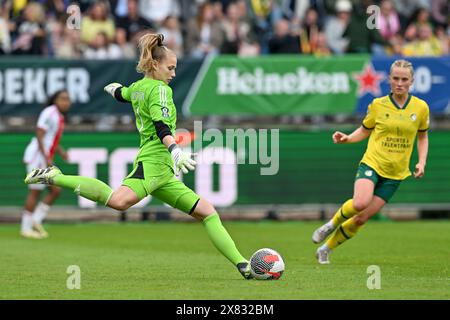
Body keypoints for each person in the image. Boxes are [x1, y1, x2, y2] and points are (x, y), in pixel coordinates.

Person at [24, 33, 253, 279]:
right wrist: (175, 150)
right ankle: (57, 177)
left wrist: (114, 90)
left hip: (163, 172)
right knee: (118, 202)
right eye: (171, 67)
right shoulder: (160, 90)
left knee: (208, 212)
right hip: (155, 162)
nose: (174, 73)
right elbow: (161, 126)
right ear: (155, 64)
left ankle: (244, 266)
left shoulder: (140, 87)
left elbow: (124, 94)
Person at [312, 59, 429, 264]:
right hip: (373, 163)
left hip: (396, 173)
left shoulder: (420, 108)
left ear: (411, 81)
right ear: (389, 80)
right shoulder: (378, 104)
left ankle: (326, 249)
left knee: (361, 218)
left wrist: (421, 162)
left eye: (404, 79)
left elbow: (422, 136)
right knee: (360, 203)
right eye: (395, 78)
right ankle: (331, 224)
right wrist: (348, 138)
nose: (399, 83)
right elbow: (365, 130)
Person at [21, 90, 71, 239]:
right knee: (35, 192)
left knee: (55, 191)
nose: (66, 102)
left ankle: (35, 220)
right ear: (55, 100)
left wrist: (60, 151)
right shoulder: (49, 112)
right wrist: (46, 157)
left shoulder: (58, 116)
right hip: (38, 157)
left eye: (68, 99)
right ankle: (25, 228)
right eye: (62, 99)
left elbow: (51, 138)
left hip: (44, 156)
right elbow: (40, 134)